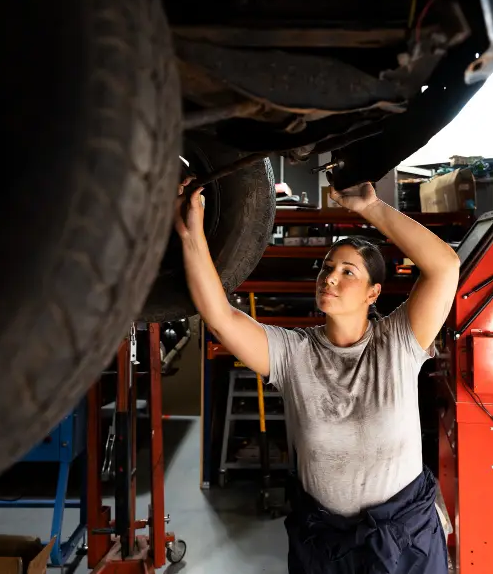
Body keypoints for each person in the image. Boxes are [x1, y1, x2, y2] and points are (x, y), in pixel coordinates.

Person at [174, 177, 460, 574]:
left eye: (348, 272)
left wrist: (371, 208)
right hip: (325, 542)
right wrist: (190, 231)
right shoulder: (294, 354)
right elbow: (221, 318)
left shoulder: (398, 342)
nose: (330, 278)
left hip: (404, 539)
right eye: (327, 268)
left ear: (373, 293)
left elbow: (444, 267)